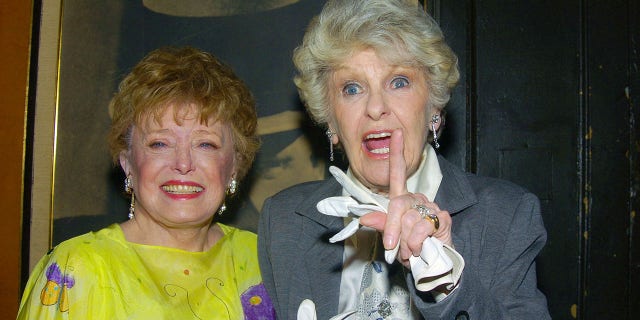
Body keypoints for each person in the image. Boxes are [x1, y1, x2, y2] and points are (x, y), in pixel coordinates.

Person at [258, 1, 551, 319]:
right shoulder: (283, 220)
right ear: (331, 123)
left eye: (399, 82)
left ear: (434, 111)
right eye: (352, 88)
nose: (375, 107)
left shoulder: (506, 216)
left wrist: (442, 278)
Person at [18, 46, 275, 319]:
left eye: (205, 144)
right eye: (160, 143)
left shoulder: (264, 263)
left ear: (234, 165)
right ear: (127, 162)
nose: (183, 163)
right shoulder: (77, 268)